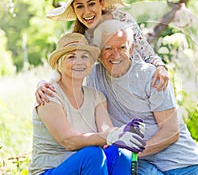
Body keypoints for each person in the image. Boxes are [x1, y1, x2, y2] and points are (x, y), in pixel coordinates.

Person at [87, 19, 198, 175]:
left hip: (181, 164)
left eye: (122, 47)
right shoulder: (93, 77)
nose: (115, 54)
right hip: (141, 166)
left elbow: (171, 131)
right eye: (108, 48)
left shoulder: (150, 76)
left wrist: (129, 154)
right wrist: (46, 85)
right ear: (98, 51)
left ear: (131, 49)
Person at [29, 33, 146, 175]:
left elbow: (106, 132)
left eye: (84, 56)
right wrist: (111, 136)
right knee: (93, 155)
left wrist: (124, 132)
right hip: (50, 170)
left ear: (90, 63)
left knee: (121, 153)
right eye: (71, 57)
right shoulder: (48, 95)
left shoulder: (96, 97)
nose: (79, 62)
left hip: (88, 168)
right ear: (59, 64)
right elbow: (68, 141)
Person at [39, 0, 168, 100]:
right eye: (80, 6)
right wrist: (44, 84)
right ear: (74, 10)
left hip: (138, 82)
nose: (87, 11)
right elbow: (64, 67)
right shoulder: (80, 35)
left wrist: (160, 67)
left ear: (101, 3)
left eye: (91, 4)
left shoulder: (122, 19)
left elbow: (146, 51)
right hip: (109, 93)